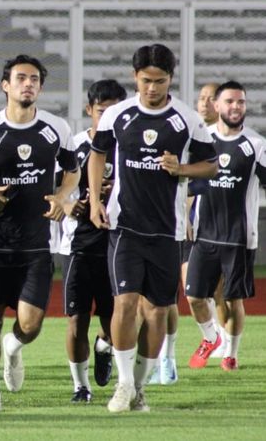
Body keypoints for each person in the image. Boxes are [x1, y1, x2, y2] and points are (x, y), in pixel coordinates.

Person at [87, 44, 217, 413]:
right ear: (135, 78)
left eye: (159, 81)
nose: (152, 88)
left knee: (158, 312)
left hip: (167, 230)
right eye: (146, 81)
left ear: (170, 79)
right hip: (124, 226)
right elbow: (97, 155)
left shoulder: (187, 119)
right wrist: (96, 200)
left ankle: (140, 387)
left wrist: (181, 169)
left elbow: (210, 166)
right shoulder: (117, 114)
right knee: (125, 304)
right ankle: (124, 384)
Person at [0, 54, 79, 414]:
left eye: (34, 79)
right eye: (21, 78)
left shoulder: (57, 128)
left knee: (30, 324)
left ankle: (15, 347)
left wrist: (61, 196)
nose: (28, 84)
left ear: (40, 87)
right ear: (6, 86)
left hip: (37, 243)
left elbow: (72, 171)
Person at [150, 81, 226, 386]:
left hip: (205, 228)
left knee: (205, 293)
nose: (205, 103)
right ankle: (175, 356)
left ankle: (224, 344)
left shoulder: (216, 142)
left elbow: (206, 178)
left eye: (211, 98)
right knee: (177, 296)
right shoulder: (183, 135)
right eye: (202, 98)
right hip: (170, 225)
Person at [185, 80, 263, 372]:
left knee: (233, 299)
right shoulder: (203, 142)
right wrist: (185, 217)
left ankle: (231, 353)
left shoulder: (256, 145)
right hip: (205, 235)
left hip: (239, 238)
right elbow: (188, 184)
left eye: (240, 102)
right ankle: (211, 338)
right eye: (229, 101)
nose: (235, 107)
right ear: (216, 106)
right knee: (194, 296)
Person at [59, 79, 126, 403]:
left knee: (116, 319)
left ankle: (104, 345)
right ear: (89, 110)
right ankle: (80, 386)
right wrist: (71, 204)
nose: (109, 117)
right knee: (76, 318)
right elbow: (56, 192)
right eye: (102, 111)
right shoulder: (74, 146)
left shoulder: (129, 146)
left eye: (115, 110)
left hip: (118, 244)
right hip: (79, 245)